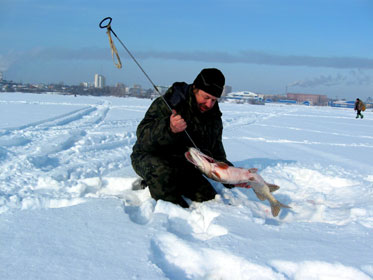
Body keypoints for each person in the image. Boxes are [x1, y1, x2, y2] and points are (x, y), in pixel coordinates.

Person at [131, 68, 235, 207]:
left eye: (214, 100)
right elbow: (142, 135)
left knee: (208, 198)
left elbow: (216, 153)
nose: (209, 104)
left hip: (183, 163)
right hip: (150, 156)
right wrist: (169, 129)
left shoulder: (214, 118)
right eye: (206, 97)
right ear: (195, 88)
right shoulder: (171, 102)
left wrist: (233, 176)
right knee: (163, 174)